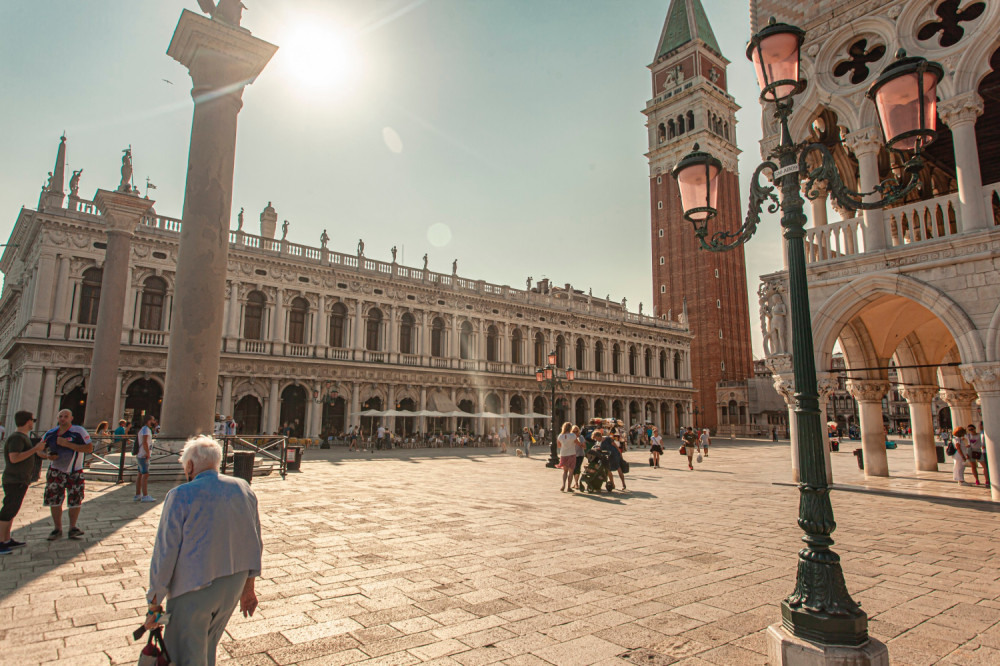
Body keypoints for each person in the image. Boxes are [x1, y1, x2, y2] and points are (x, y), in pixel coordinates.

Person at [144, 436, 262, 665]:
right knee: (207, 646)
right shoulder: (243, 487)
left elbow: (165, 553)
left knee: (185, 652)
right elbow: (255, 540)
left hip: (194, 587)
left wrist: (155, 605)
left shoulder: (180, 495)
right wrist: (249, 587)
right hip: (232, 586)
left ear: (189, 466)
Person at [2, 411, 54, 554]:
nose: (33, 422)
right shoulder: (17, 438)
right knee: (7, 511)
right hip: (14, 479)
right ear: (27, 421)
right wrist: (35, 449)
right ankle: (1, 542)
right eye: (33, 420)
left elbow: (34, 453)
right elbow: (14, 458)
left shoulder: (21, 437)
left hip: (20, 479)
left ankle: (6, 539)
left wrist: (45, 455)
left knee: (12, 510)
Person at [42, 409, 93, 541]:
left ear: (71, 418)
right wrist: (47, 456)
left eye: (66, 416)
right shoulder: (51, 433)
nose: (63, 419)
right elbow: (39, 449)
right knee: (54, 500)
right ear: (57, 418)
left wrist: (67, 444)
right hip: (55, 470)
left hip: (75, 471)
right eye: (60, 416)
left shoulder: (79, 431)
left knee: (75, 499)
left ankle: (72, 527)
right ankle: (57, 528)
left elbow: (89, 448)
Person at [135, 415, 156, 503]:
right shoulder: (146, 430)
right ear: (148, 421)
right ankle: (145, 495)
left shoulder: (143, 429)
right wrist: (147, 453)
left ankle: (138, 494)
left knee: (140, 474)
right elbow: (144, 442)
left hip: (140, 454)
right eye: (153, 420)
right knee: (145, 475)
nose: (154, 422)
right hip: (143, 455)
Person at [557, 422, 577, 492]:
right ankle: (569, 487)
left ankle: (563, 485)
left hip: (563, 454)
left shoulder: (560, 436)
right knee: (571, 471)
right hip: (571, 454)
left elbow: (559, 446)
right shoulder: (573, 435)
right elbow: (576, 442)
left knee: (565, 471)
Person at [572, 425, 586, 489]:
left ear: (578, 431)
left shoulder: (581, 437)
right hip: (572, 455)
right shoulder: (570, 437)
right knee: (573, 469)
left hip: (580, 455)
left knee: (577, 468)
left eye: (576, 431)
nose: (575, 432)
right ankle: (575, 482)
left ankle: (576, 483)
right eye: (573, 431)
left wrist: (579, 443)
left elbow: (584, 447)